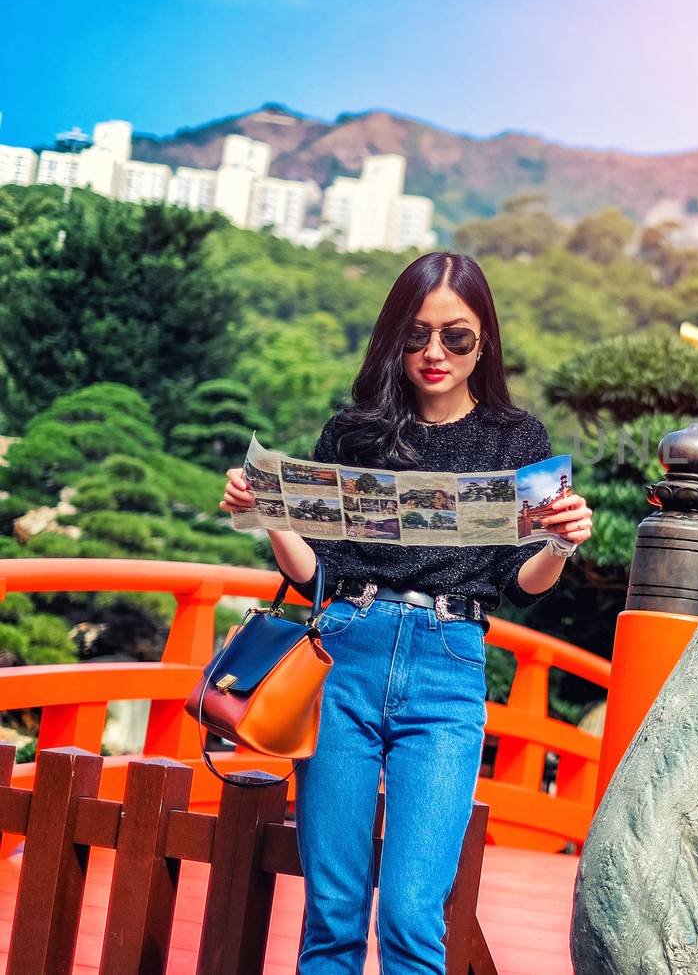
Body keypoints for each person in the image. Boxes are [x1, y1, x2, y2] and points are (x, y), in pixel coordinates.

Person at [218, 251, 591, 974]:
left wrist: (560, 542)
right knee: (332, 912)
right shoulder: (353, 433)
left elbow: (523, 582)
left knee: (414, 915)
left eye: (456, 336)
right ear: (394, 337)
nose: (433, 353)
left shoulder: (518, 442)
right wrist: (269, 512)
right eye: (416, 335)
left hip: (448, 665)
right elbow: (312, 576)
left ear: (485, 340)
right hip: (344, 650)